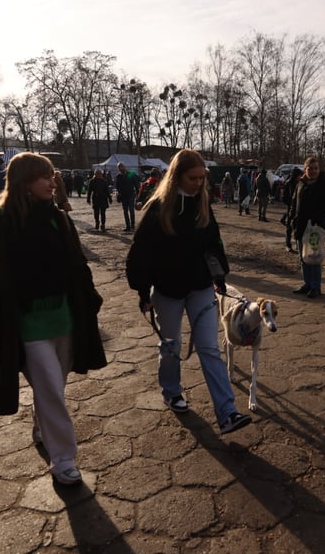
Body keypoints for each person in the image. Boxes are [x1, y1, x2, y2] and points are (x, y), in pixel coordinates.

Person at [0, 152, 107, 486]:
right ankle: (63, 459)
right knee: (49, 389)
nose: (52, 182)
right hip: (29, 325)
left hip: (64, 318)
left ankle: (42, 424)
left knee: (53, 390)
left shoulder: (58, 218)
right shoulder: (0, 227)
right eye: (44, 176)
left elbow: (77, 264)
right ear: (23, 181)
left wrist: (90, 299)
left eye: (52, 175)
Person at [125, 148, 252, 436]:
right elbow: (139, 255)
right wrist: (143, 292)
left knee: (209, 347)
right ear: (177, 176)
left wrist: (219, 276)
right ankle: (171, 390)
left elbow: (214, 244)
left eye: (202, 178)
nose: (198, 183)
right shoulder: (158, 209)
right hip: (167, 291)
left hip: (200, 288)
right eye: (193, 178)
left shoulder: (203, 205)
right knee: (171, 347)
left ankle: (227, 412)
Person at [288, 157, 325, 298]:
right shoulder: (300, 184)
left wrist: (313, 216)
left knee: (314, 257)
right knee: (303, 257)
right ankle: (307, 283)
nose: (313, 171)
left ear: (319, 170)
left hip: (315, 227)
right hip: (301, 226)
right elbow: (294, 202)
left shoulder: (323, 185)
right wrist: (291, 219)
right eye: (310, 168)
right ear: (305, 169)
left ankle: (315, 286)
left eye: (315, 168)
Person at [280, 168, 302, 252]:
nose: (300, 177)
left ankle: (297, 244)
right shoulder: (289, 183)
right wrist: (291, 203)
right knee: (289, 228)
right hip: (291, 208)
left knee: (297, 227)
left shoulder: (299, 183)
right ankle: (288, 245)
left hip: (298, 208)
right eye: (299, 175)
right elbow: (284, 198)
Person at [116, 162, 141, 232]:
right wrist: (119, 193)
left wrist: (138, 194)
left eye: (121, 167)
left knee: (131, 209)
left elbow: (136, 184)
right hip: (123, 196)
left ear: (124, 167)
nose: (121, 168)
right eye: (119, 167)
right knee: (125, 211)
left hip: (131, 194)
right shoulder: (119, 176)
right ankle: (128, 226)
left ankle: (132, 225)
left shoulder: (130, 174)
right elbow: (117, 186)